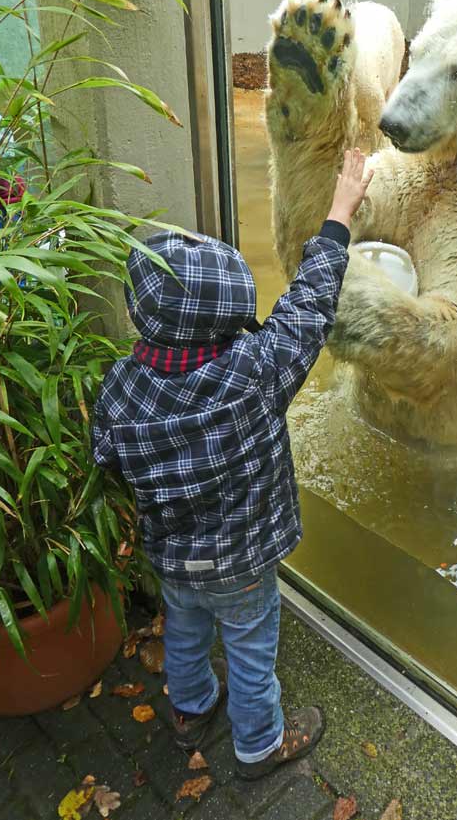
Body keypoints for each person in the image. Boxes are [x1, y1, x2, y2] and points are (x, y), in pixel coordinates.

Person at [92, 149, 373, 780]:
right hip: (241, 565)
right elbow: (307, 307)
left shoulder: (119, 386)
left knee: (185, 628)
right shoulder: (252, 373)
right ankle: (259, 745)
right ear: (233, 313)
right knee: (249, 649)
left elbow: (105, 456)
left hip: (170, 554)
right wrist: (339, 214)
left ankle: (189, 708)